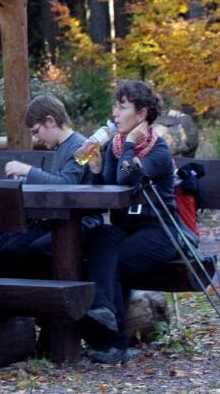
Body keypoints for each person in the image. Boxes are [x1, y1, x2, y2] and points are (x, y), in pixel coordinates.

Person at [81, 79, 177, 364]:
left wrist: (130, 146)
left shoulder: (158, 151)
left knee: (115, 261)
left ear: (142, 114)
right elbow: (112, 189)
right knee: (99, 238)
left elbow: (129, 176)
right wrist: (97, 171)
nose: (115, 113)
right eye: (115, 106)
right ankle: (104, 314)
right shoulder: (116, 146)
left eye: (122, 107)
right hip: (127, 228)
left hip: (158, 231)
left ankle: (114, 342)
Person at [0, 94, 88, 275]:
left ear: (50, 121)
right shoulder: (61, 147)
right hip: (53, 219)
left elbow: (66, 184)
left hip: (75, 223)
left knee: (17, 250)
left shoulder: (81, 147)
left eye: (36, 131)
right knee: (0, 241)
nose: (37, 138)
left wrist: (27, 170)